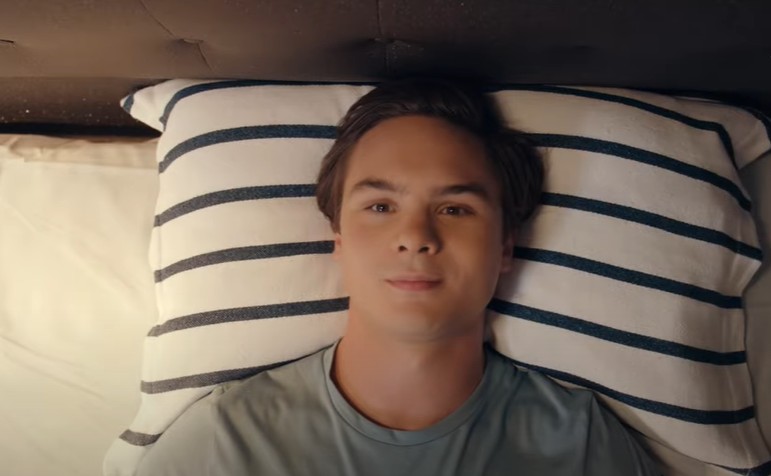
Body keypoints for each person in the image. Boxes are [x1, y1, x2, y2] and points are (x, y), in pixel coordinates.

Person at [136, 77, 661, 475]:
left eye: (455, 209)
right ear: (338, 238)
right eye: (381, 207)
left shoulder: (581, 445)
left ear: (505, 247)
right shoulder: (223, 446)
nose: (415, 236)